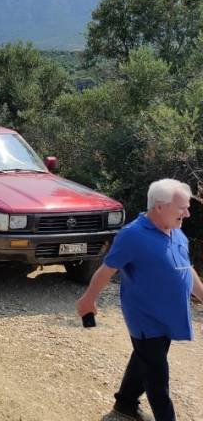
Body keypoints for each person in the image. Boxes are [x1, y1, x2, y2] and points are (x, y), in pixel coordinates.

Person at [76, 179, 203, 421]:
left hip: (169, 315)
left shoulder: (176, 230)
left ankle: (124, 405)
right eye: (182, 208)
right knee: (157, 376)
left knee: (145, 359)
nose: (187, 213)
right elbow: (107, 270)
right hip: (145, 318)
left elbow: (187, 269)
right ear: (159, 207)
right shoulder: (132, 235)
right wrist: (88, 299)